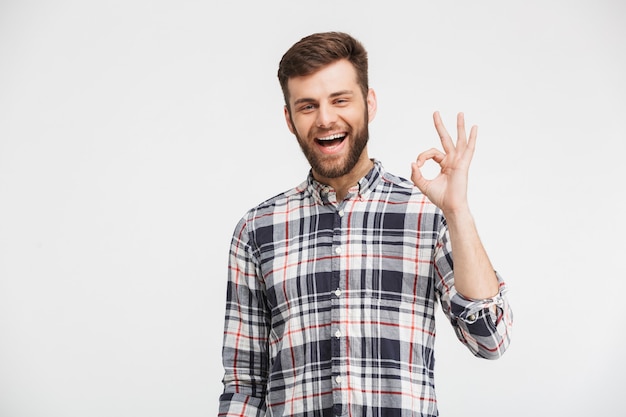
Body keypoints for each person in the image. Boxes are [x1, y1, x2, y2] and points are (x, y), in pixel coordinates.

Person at [218, 31, 512, 417]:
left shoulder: (426, 213)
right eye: (308, 106)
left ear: (369, 104)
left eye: (340, 100)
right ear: (289, 119)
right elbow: (244, 386)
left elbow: (490, 339)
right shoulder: (257, 230)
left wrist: (457, 211)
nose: (325, 119)